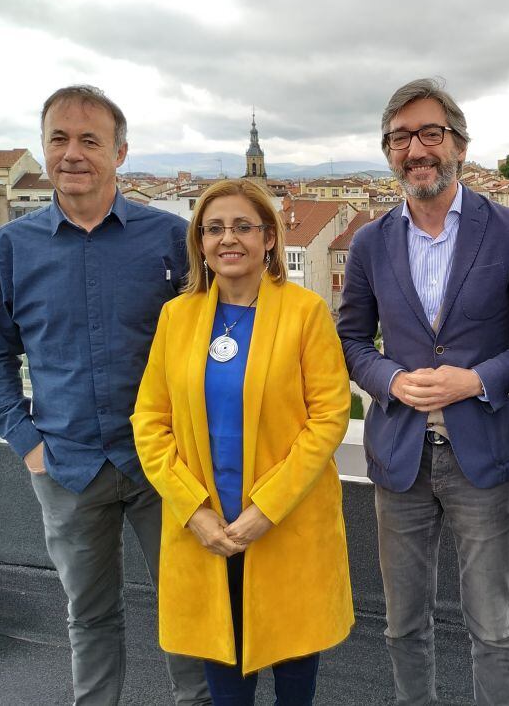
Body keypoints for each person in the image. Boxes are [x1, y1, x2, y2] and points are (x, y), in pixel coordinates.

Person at [0, 85, 210, 705]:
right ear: (44, 147)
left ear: (120, 152)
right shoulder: (10, 248)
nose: (72, 153)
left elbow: (218, 341)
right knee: (90, 619)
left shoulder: (172, 240)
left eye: (90, 140)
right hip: (67, 465)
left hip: (165, 465)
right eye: (58, 138)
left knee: (189, 613)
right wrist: (28, 443)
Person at [336, 78, 509, 705]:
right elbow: (349, 340)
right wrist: (391, 380)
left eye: (430, 133)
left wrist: (479, 380)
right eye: (400, 138)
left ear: (458, 142)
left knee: (493, 625)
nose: (415, 148)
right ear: (388, 151)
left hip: (483, 457)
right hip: (399, 457)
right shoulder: (371, 240)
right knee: (403, 622)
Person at [132, 178, 354, 705]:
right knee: (226, 690)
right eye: (214, 229)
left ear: (269, 238)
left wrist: (265, 509)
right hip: (206, 532)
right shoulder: (177, 317)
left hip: (285, 527)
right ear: (200, 243)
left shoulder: (305, 313)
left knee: (295, 683)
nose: (227, 239)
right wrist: (193, 510)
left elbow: (329, 417)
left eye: (242, 227)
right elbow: (149, 420)